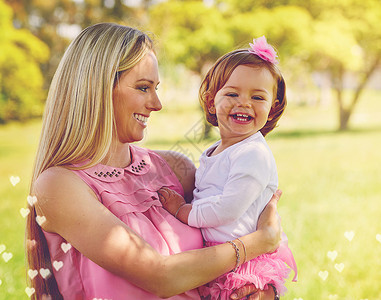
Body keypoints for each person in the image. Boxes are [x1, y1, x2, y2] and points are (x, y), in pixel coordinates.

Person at [26, 23, 282, 300]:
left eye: (156, 88)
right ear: (97, 89)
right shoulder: (60, 185)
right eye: (143, 87)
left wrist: (260, 290)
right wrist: (257, 243)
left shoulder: (174, 169)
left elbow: (239, 223)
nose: (157, 104)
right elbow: (160, 277)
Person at [158, 36, 297, 299]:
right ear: (211, 101)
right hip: (222, 257)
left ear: (272, 107)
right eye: (232, 93)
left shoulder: (253, 153)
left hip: (244, 265)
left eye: (258, 97)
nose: (244, 103)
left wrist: (183, 210)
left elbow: (228, 207)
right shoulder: (219, 151)